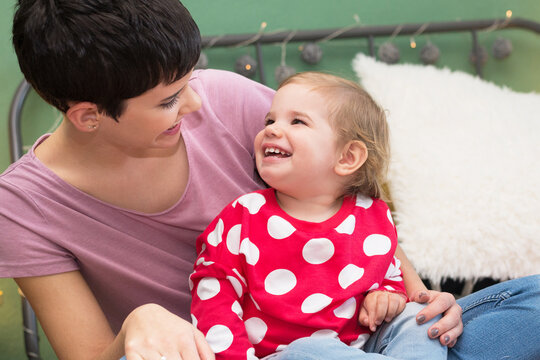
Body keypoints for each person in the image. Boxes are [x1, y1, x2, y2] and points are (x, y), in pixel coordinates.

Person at [0, 0, 537, 359]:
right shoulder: (23, 208)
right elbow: (91, 356)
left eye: (189, 80)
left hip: (374, 335)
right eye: (168, 100)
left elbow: (348, 201)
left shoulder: (229, 99)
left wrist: (415, 293)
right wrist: (138, 323)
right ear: (88, 116)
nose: (195, 101)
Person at [190, 72, 447, 360]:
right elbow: (214, 298)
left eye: (297, 121)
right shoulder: (242, 217)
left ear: (347, 157)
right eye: (270, 121)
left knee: (418, 319)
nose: (272, 130)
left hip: (360, 348)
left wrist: (387, 296)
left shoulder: (371, 215)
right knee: (313, 351)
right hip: (286, 355)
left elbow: (389, 276)